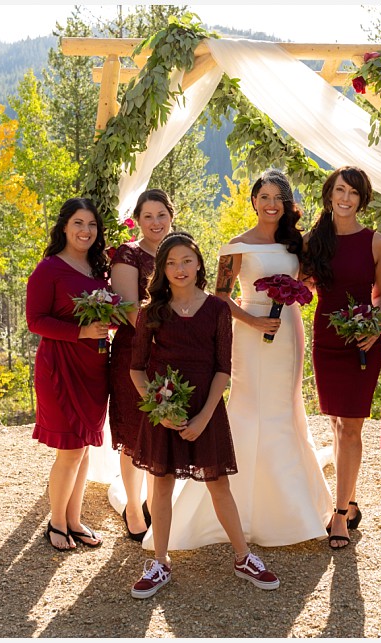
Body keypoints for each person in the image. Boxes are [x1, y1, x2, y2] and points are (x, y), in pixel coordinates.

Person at [151, 169, 333, 551]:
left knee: (285, 405)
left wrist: (299, 294)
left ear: (286, 204)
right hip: (249, 334)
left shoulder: (296, 245)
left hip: (288, 334)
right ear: (253, 201)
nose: (270, 204)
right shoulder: (236, 247)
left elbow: (310, 283)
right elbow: (219, 296)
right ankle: (233, 504)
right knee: (248, 405)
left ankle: (291, 508)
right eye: (263, 197)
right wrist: (252, 320)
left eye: (277, 198)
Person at [128, 231, 280, 599]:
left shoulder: (216, 309)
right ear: (162, 270)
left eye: (187, 261)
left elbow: (222, 370)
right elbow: (137, 370)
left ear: (199, 264)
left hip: (206, 410)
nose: (180, 269)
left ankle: (243, 557)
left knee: (218, 484)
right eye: (171, 263)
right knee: (160, 485)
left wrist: (204, 417)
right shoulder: (152, 312)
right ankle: (161, 561)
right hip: (163, 412)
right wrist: (160, 411)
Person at [302, 166, 381, 550]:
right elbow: (298, 283)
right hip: (325, 339)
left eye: (353, 192)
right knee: (336, 424)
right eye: (340, 189)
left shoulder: (376, 242)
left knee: (352, 426)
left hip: (362, 343)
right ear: (329, 193)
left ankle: (338, 515)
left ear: (362, 199)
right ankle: (349, 500)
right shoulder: (313, 241)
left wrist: (376, 327)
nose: (346, 198)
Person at [26, 197, 111, 551]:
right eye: (78, 223)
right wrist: (81, 332)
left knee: (85, 446)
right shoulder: (48, 270)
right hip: (60, 367)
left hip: (95, 367)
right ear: (64, 227)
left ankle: (74, 520)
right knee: (70, 449)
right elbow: (36, 321)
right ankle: (56, 523)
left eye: (91, 225)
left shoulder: (99, 269)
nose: (85, 231)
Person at [108, 189, 174, 541]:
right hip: (134, 353)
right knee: (135, 434)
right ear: (137, 220)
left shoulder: (179, 251)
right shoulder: (128, 255)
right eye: (147, 216)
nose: (155, 223)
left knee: (160, 432)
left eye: (161, 215)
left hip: (170, 356)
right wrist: (168, 336)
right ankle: (133, 507)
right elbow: (129, 311)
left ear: (171, 216)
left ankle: (153, 501)